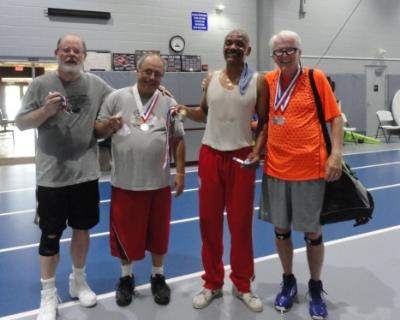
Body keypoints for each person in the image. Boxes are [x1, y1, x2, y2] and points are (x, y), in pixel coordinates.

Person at [15, 34, 114, 320]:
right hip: (51, 178)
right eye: (66, 50)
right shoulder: (40, 84)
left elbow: (119, 100)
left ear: (84, 55)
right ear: (57, 52)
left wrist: (158, 92)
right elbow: (21, 123)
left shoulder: (95, 84)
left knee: (82, 230)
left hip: (85, 175)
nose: (71, 54)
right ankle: (48, 294)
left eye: (77, 51)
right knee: (50, 236)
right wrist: (46, 110)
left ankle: (78, 280)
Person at [179, 29, 268, 312]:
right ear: (223, 47)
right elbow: (203, 112)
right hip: (210, 155)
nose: (233, 47)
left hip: (241, 158)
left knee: (241, 225)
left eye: (239, 44)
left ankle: (242, 284)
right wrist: (181, 109)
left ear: (248, 51)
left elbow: (264, 121)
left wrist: (257, 151)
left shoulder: (258, 81)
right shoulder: (211, 80)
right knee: (209, 223)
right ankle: (213, 283)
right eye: (228, 43)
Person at [259, 30, 343, 320]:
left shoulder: (315, 78)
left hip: (310, 170)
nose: (284, 55)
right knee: (280, 230)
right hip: (275, 169)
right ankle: (288, 280)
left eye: (289, 50)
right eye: (279, 52)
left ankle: (316, 286)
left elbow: (336, 119)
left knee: (312, 232)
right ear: (273, 56)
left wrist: (336, 154)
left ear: (299, 52)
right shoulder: (267, 82)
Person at [95, 53, 186, 307]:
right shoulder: (116, 98)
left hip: (158, 183)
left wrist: (179, 173)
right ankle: (126, 278)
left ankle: (158, 275)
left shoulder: (168, 101)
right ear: (137, 70)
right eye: (148, 71)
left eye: (157, 73)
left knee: (159, 234)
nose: (152, 77)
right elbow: (98, 131)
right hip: (125, 182)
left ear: (162, 76)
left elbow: (178, 138)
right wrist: (109, 127)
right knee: (125, 235)